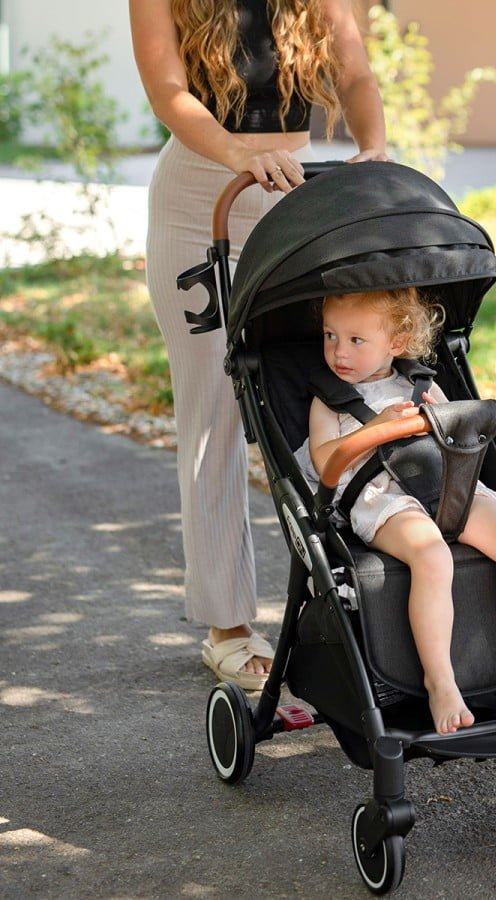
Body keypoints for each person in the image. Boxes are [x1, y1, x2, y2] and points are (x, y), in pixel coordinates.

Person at [129, 0, 388, 690]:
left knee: (324, 402)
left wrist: (374, 147)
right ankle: (229, 629)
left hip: (292, 202)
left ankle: (375, 605)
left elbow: (356, 75)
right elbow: (168, 93)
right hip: (196, 206)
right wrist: (241, 151)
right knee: (213, 417)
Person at [297, 289, 496, 735]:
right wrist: (375, 427)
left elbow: (459, 441)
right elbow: (325, 461)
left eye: (356, 340)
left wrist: (445, 417)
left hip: (444, 483)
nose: (338, 351)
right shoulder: (328, 399)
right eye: (330, 336)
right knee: (434, 557)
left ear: (397, 342)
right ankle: (441, 680)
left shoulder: (422, 383)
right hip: (382, 498)